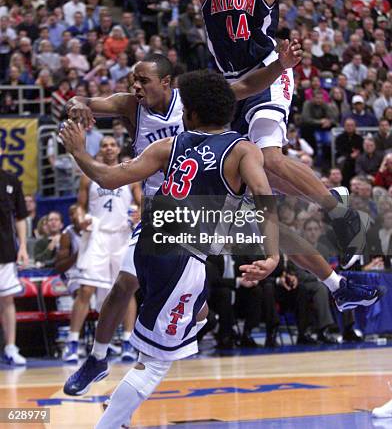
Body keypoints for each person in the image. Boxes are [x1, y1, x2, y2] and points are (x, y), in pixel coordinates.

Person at [64, 50, 381, 397]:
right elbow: (84, 100)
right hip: (166, 211)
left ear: (167, 83)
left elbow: (245, 85)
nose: (135, 85)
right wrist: (78, 103)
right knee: (125, 284)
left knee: (277, 228)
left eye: (143, 80)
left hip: (210, 198)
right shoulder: (129, 105)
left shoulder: (195, 98)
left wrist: (279, 67)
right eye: (133, 79)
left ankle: (339, 286)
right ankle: (97, 358)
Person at [133, 0, 369, 270]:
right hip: (231, 85)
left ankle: (343, 216)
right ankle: (337, 203)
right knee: (266, 176)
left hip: (270, 74)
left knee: (271, 160)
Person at [59, 70, 281, 428]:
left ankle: (110, 367)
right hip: (184, 258)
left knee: (199, 311)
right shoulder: (243, 149)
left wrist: (79, 153)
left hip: (149, 241)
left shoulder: (168, 146)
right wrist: (271, 255)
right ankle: (109, 424)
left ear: (189, 114)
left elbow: (108, 177)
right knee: (155, 362)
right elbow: (265, 201)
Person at [62, 136, 141, 363]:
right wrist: (79, 219)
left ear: (117, 149)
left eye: (112, 144)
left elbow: (142, 203)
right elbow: (79, 206)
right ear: (101, 150)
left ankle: (127, 341)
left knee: (127, 289)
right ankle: (72, 342)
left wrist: (140, 213)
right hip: (96, 235)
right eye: (105, 145)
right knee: (86, 289)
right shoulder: (90, 176)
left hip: (122, 235)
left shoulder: (131, 174)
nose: (109, 148)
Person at [0, 159, 29, 365]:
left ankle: (11, 347)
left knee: (7, 300)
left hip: (5, 250)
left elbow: (20, 217)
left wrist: (23, 247)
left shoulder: (11, 181)